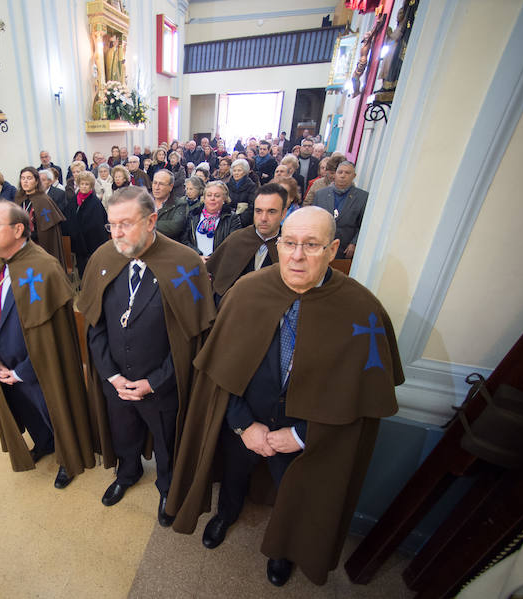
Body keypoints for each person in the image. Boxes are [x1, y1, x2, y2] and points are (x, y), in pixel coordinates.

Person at [167, 206, 403, 587]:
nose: (296, 255)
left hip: (307, 429)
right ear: (279, 243)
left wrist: (300, 435)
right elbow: (221, 373)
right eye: (290, 242)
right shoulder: (248, 291)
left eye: (311, 245)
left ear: (333, 248)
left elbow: (357, 397)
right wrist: (243, 425)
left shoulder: (362, 309)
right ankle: (226, 514)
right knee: (234, 474)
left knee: (297, 494)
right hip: (247, 418)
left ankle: (284, 549)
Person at [78, 186, 214, 526]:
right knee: (123, 433)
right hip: (117, 381)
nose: (117, 233)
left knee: (167, 442)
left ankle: (167, 486)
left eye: (126, 223)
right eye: (112, 225)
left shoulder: (184, 263)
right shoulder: (103, 258)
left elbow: (191, 339)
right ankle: (128, 472)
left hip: (162, 384)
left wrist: (154, 381)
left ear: (152, 220)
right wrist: (111, 375)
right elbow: (94, 325)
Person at [0, 202, 94, 488]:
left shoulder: (43, 267)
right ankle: (44, 442)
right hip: (5, 361)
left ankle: (67, 457)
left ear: (18, 229)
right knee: (27, 411)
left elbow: (53, 338)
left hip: (38, 367)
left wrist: (23, 371)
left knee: (52, 409)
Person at [204, 182, 286, 301]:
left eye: (271, 211)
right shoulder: (237, 239)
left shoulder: (290, 247)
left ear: (283, 213)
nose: (263, 218)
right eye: (258, 211)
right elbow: (218, 285)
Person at [312, 161, 367, 259]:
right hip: (321, 246)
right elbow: (312, 220)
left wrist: (354, 243)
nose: (343, 176)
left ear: (354, 176)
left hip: (345, 249)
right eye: (340, 172)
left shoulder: (362, 197)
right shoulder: (321, 194)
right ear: (335, 174)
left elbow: (364, 225)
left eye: (347, 173)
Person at [15, 166, 67, 269]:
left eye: (29, 178)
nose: (25, 181)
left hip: (39, 244)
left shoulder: (43, 200)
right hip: (21, 246)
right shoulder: (18, 199)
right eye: (23, 178)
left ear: (36, 181)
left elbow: (48, 230)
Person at [183, 181, 241, 259]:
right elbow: (185, 240)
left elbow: (233, 244)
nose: (212, 198)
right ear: (204, 198)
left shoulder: (232, 218)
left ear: (224, 199)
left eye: (217, 196)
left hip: (219, 263)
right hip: (195, 261)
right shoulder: (193, 214)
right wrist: (198, 256)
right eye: (209, 195)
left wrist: (211, 259)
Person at [67, 171, 109, 277]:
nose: (84, 187)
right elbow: (69, 217)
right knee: (81, 264)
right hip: (78, 239)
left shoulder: (95, 202)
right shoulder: (74, 200)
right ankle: (84, 282)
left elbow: (98, 222)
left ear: (91, 186)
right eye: (82, 184)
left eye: (87, 184)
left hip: (92, 240)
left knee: (93, 264)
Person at [151, 169, 188, 243]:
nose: (156, 187)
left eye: (161, 184)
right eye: (155, 183)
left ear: (171, 187)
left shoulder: (179, 204)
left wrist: (146, 224)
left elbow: (175, 227)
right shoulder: (143, 202)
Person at [227, 158, 258, 226]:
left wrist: (239, 220)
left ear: (245, 172)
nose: (236, 173)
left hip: (243, 222)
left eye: (239, 170)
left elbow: (252, 206)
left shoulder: (251, 186)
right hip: (227, 219)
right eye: (234, 170)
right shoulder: (227, 185)